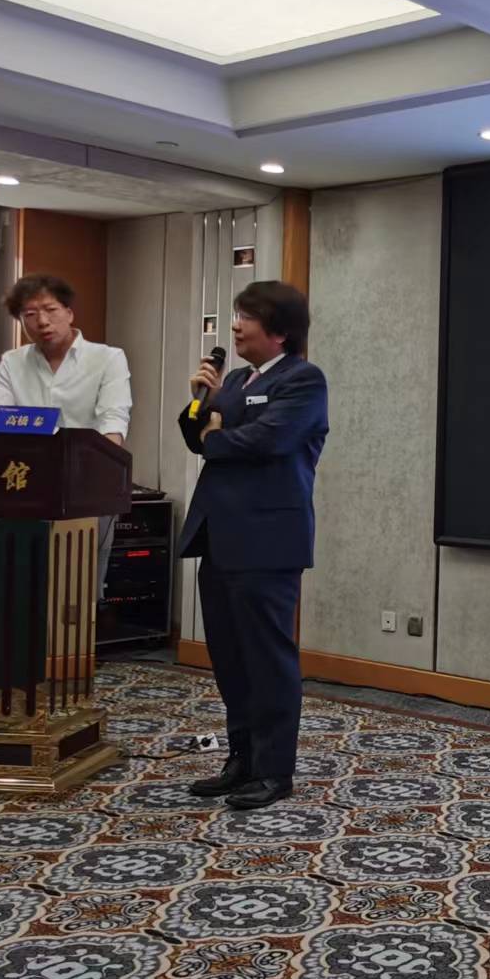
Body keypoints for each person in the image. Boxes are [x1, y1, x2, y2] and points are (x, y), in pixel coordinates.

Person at [177, 280, 327, 809]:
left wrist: (216, 434)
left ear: (279, 331)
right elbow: (196, 435)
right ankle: (240, 760)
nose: (235, 326)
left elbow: (269, 439)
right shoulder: (237, 379)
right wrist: (200, 403)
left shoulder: (303, 379)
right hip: (219, 535)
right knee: (229, 657)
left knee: (267, 658)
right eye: (236, 315)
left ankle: (273, 770)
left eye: (247, 317)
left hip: (268, 540)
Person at [0, 274, 131, 593]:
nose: (42, 321)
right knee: (19, 588)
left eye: (50, 310)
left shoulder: (108, 358)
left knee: (76, 593)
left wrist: (99, 473)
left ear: (69, 313)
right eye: (30, 314)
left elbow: (113, 422)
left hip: (85, 490)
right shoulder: (13, 363)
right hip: (23, 490)